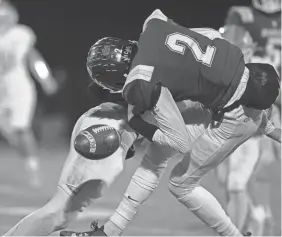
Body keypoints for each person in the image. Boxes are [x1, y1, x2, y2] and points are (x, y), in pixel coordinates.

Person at [60, 9, 280, 237]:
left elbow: (179, 142)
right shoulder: (153, 26)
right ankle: (109, 232)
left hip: (235, 113)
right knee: (154, 158)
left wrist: (137, 125)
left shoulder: (139, 82)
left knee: (180, 184)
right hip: (236, 84)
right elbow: (209, 36)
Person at [218, 1, 281, 235]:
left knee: (255, 168)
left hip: (265, 96)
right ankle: (254, 216)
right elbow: (230, 50)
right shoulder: (242, 15)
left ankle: (259, 216)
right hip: (250, 91)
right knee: (228, 175)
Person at [0, 0, 58, 187]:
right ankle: (28, 156)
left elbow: (33, 57)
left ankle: (33, 169)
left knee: (21, 128)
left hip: (19, 87)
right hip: (1, 90)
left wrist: (45, 78)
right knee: (9, 132)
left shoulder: (21, 34)